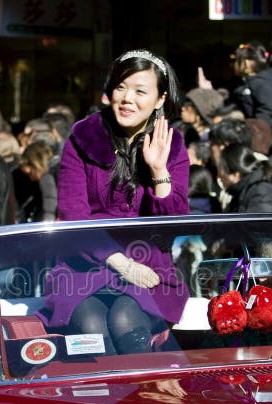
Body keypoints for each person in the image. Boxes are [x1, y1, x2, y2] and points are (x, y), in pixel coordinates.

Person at [38, 49, 190, 354]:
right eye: (121, 87)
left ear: (160, 99)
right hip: (85, 267)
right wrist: (121, 263)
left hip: (149, 269)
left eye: (140, 91)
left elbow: (172, 226)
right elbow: (73, 216)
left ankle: (148, 386)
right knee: (91, 323)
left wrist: (159, 171)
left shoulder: (171, 144)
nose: (127, 98)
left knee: (124, 318)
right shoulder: (83, 138)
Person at [230, 41, 272, 133]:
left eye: (236, 61)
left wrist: (256, 131)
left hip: (265, 134)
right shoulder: (247, 82)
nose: (233, 65)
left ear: (247, 63)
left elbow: (266, 111)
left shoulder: (263, 83)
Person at [217, 143, 272, 213]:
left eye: (223, 174)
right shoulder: (242, 193)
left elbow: (260, 219)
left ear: (236, 175)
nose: (219, 177)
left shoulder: (261, 194)